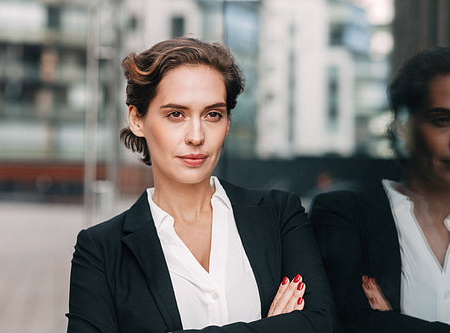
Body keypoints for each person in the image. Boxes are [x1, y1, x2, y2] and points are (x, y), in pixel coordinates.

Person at [66, 37, 337, 333]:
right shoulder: (101, 251)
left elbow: (321, 324)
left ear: (228, 123)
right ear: (137, 119)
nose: (196, 136)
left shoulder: (279, 215)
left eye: (213, 114)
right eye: (176, 114)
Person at [310, 46, 450, 332]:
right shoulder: (343, 215)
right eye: (442, 120)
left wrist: (390, 324)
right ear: (402, 127)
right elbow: (350, 323)